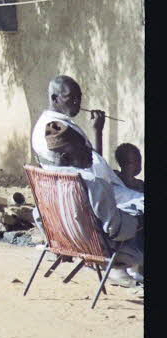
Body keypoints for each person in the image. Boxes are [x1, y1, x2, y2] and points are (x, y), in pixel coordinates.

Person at [41, 121, 143, 286]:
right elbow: (114, 229)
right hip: (106, 250)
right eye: (84, 149)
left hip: (71, 244)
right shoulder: (94, 184)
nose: (91, 153)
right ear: (67, 157)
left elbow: (38, 217)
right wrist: (136, 221)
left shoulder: (46, 183)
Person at [30, 75, 140, 211]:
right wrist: (98, 132)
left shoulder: (44, 124)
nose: (77, 102)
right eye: (71, 97)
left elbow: (90, 162)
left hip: (73, 192)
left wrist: (97, 130)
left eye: (79, 97)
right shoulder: (58, 130)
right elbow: (94, 168)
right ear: (55, 98)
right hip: (92, 198)